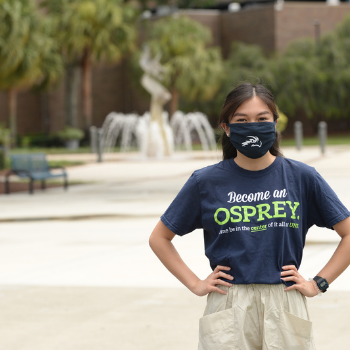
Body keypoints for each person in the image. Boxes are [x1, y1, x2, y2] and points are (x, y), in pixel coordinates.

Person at [149, 83, 350, 350]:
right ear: (227, 128)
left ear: (275, 124)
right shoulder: (205, 181)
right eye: (242, 120)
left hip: (285, 300)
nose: (252, 125)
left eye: (262, 119)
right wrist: (195, 283)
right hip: (229, 302)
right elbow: (160, 238)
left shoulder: (302, 177)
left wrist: (318, 283)